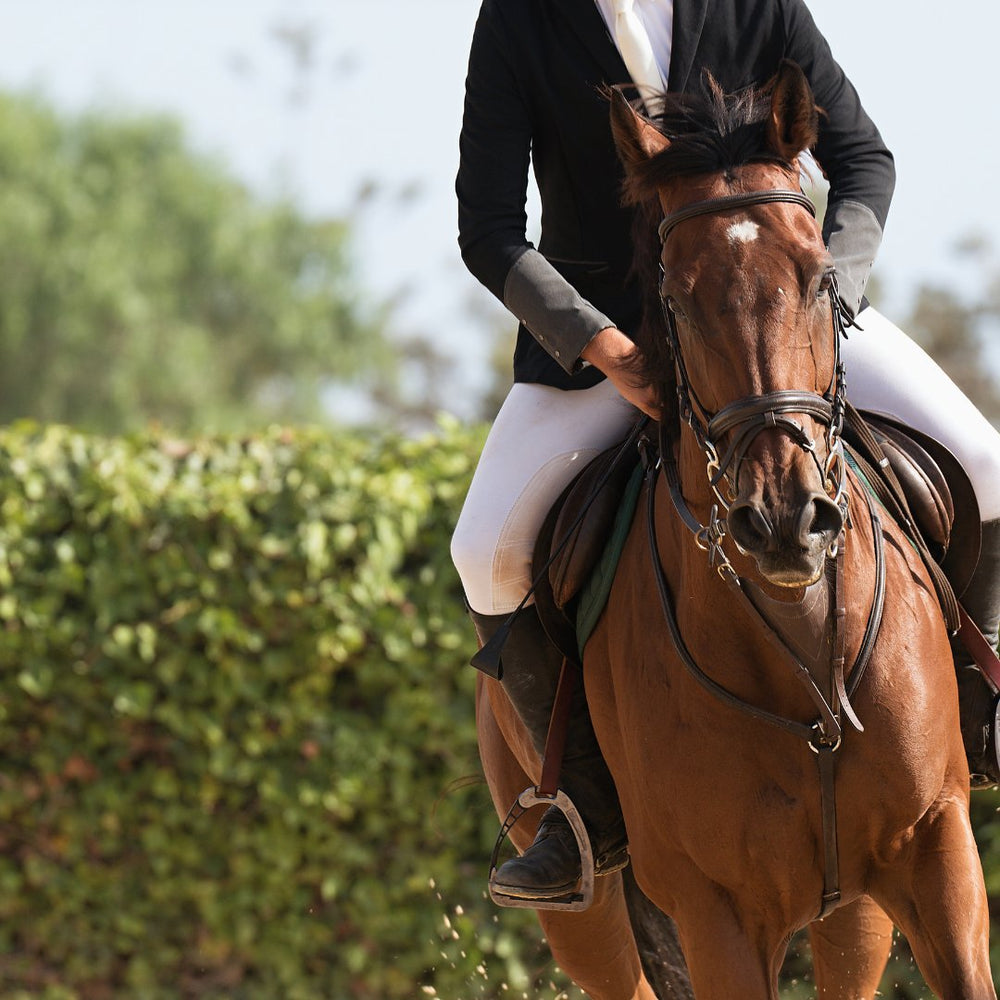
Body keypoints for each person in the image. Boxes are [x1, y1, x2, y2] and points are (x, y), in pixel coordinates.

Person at [451, 0, 1000, 903]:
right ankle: (581, 809)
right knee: (484, 552)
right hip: (614, 343)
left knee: (981, 458)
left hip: (775, 319)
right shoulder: (522, 17)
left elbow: (863, 160)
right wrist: (607, 352)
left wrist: (828, 294)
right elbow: (489, 230)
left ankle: (983, 708)